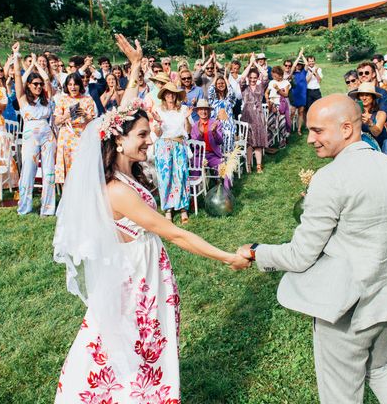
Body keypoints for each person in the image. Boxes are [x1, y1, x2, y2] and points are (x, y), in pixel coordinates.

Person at [53, 100, 249, 403]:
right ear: (119, 140)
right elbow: (174, 233)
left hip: (145, 271)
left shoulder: (127, 176)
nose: (150, 139)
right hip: (135, 282)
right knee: (124, 345)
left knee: (142, 347)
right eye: (142, 135)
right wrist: (227, 257)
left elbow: (118, 116)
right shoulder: (117, 190)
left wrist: (133, 69)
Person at [236, 94, 387, 404]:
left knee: (342, 396)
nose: (310, 139)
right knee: (380, 370)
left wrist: (258, 251)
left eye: (318, 130)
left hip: (349, 311)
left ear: (348, 128)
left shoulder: (330, 179)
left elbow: (301, 255)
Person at [12, 43, 57, 216]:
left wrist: (38, 65)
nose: (38, 86)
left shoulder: (47, 100)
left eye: (39, 84)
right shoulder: (23, 99)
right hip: (31, 136)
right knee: (28, 170)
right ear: (29, 85)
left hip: (47, 136)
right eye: (34, 84)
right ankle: (25, 206)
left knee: (49, 171)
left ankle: (47, 208)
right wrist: (17, 56)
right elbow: (17, 76)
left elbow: (47, 80)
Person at [153, 82, 191, 224]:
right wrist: (158, 123)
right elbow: (157, 133)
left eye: (173, 93)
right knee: (165, 177)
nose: (170, 96)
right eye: (167, 93)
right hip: (163, 146)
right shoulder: (159, 110)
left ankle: (183, 208)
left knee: (181, 175)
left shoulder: (184, 109)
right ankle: (168, 209)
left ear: (176, 96)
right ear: (164, 96)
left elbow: (187, 131)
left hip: (179, 145)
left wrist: (186, 117)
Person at [54, 73, 96, 185]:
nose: (73, 87)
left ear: (80, 85)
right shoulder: (62, 99)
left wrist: (84, 115)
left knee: (82, 164)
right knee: (67, 165)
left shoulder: (87, 99)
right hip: (66, 135)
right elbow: (56, 121)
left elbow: (92, 120)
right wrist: (65, 116)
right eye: (70, 84)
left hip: (82, 135)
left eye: (76, 84)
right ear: (66, 86)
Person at [190, 99, 231, 190]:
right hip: (199, 156)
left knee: (224, 169)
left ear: (209, 111)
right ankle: (194, 197)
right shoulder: (194, 126)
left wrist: (214, 132)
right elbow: (194, 146)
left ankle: (226, 195)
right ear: (197, 111)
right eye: (201, 109)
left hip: (213, 155)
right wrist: (200, 134)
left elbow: (220, 141)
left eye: (206, 109)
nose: (203, 112)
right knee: (193, 173)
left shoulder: (216, 123)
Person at [240, 67, 268, 173]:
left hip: (258, 116)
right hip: (247, 116)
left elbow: (265, 75)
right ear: (248, 77)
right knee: (249, 143)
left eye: (255, 77)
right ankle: (248, 165)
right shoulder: (244, 88)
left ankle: (259, 166)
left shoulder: (260, 87)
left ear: (257, 78)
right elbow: (242, 78)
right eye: (251, 77)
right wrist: (250, 64)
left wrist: (255, 63)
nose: (252, 79)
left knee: (258, 142)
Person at [349, 82, 387, 148]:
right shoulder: (354, 113)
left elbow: (377, 133)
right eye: (361, 95)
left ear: (373, 97)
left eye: (367, 95)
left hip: (379, 148)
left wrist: (370, 123)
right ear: (358, 97)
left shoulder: (380, 114)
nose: (364, 98)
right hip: (361, 148)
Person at [208, 75, 237, 153]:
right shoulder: (213, 100)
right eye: (218, 83)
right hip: (216, 127)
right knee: (217, 149)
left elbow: (232, 92)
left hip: (228, 127)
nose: (221, 85)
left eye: (222, 83)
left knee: (228, 149)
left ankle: (229, 163)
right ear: (216, 86)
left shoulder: (229, 100)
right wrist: (215, 77)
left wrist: (226, 78)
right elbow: (210, 90)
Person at [265, 65, 291, 150]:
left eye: (276, 76)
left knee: (282, 125)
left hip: (281, 106)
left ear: (281, 75)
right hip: (272, 105)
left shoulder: (286, 83)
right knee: (270, 124)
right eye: (273, 76)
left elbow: (286, 94)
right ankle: (269, 142)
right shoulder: (271, 82)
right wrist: (267, 100)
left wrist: (278, 89)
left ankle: (282, 142)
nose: (274, 78)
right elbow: (266, 93)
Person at [290, 50, 309, 134]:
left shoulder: (304, 72)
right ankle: (289, 129)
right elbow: (293, 65)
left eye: (300, 64)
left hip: (302, 95)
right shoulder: (292, 73)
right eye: (298, 64)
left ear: (302, 65)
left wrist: (302, 55)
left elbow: (307, 64)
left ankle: (299, 129)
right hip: (294, 95)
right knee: (292, 113)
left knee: (301, 112)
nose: (298, 65)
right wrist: (298, 56)